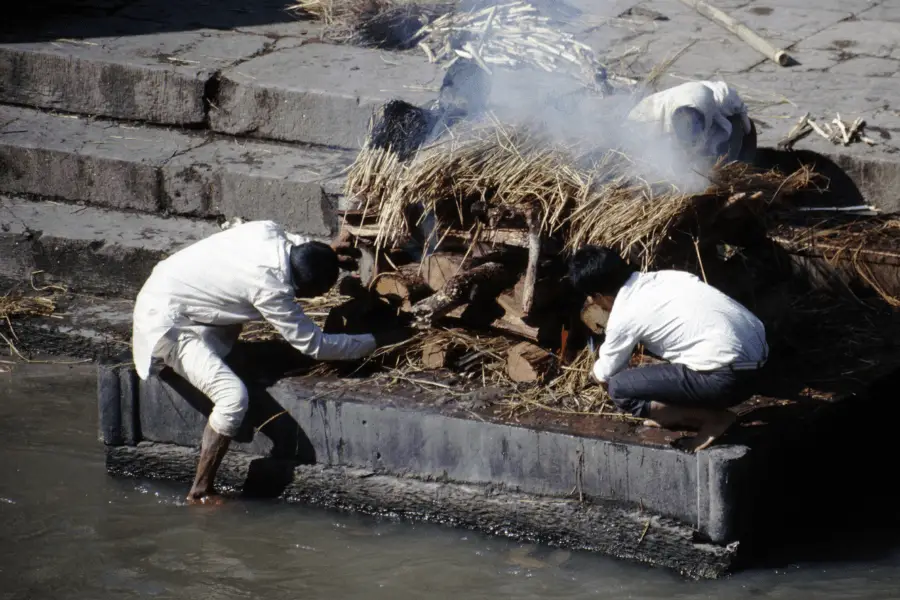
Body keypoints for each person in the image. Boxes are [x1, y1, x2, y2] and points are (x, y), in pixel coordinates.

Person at [132, 220, 408, 504]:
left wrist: (327, 251)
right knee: (233, 398)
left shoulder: (267, 230)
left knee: (237, 340)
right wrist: (378, 340)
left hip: (176, 290)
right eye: (311, 296)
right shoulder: (271, 289)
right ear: (300, 289)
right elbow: (314, 345)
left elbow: (305, 246)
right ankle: (200, 491)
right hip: (165, 321)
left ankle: (205, 359)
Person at [568, 246, 768, 451]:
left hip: (729, 381)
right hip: (761, 367)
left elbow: (605, 374)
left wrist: (591, 375)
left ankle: (710, 419)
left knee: (620, 388)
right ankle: (675, 414)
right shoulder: (668, 278)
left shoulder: (624, 314)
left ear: (599, 295)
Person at [627, 80, 757, 164]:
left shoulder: (722, 98)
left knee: (735, 132)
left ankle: (733, 165)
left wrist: (737, 153)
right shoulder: (647, 118)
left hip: (713, 112)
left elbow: (745, 124)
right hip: (663, 131)